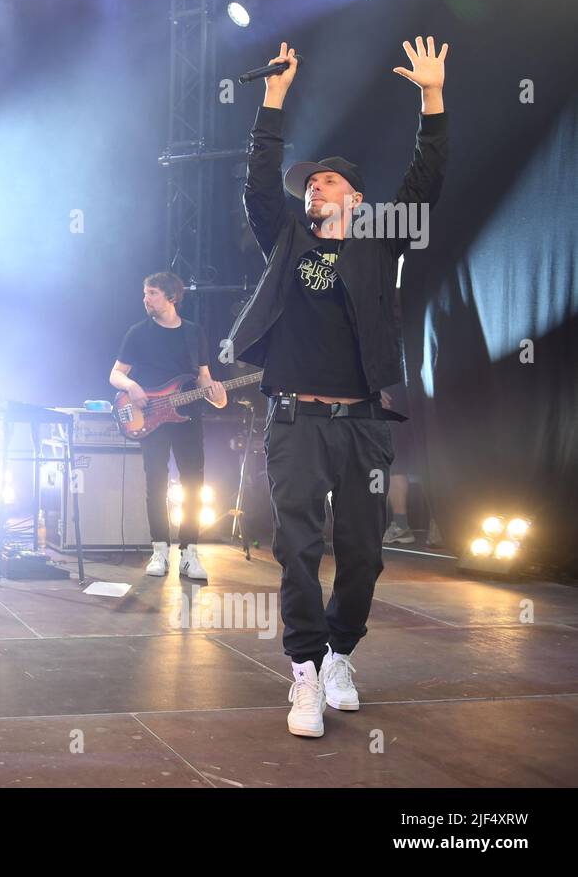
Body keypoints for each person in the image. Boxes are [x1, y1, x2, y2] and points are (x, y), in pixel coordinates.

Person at [226, 37, 449, 738]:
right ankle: (302, 672)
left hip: (362, 423)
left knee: (363, 552)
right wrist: (273, 97)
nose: (313, 188)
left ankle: (339, 656)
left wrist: (432, 99)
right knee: (296, 547)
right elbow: (259, 184)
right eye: (310, 183)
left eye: (326, 182)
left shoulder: (382, 238)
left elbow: (426, 180)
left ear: (355, 195)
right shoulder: (288, 240)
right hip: (295, 419)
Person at [110, 271, 227, 580]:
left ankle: (189, 552)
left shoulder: (193, 333)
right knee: (156, 483)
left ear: (171, 297)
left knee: (193, 485)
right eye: (145, 293)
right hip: (151, 416)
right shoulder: (137, 332)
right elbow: (115, 374)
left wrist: (217, 396)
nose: (145, 299)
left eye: (152, 293)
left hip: (188, 416)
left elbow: (203, 375)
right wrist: (132, 387)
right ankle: (159, 550)